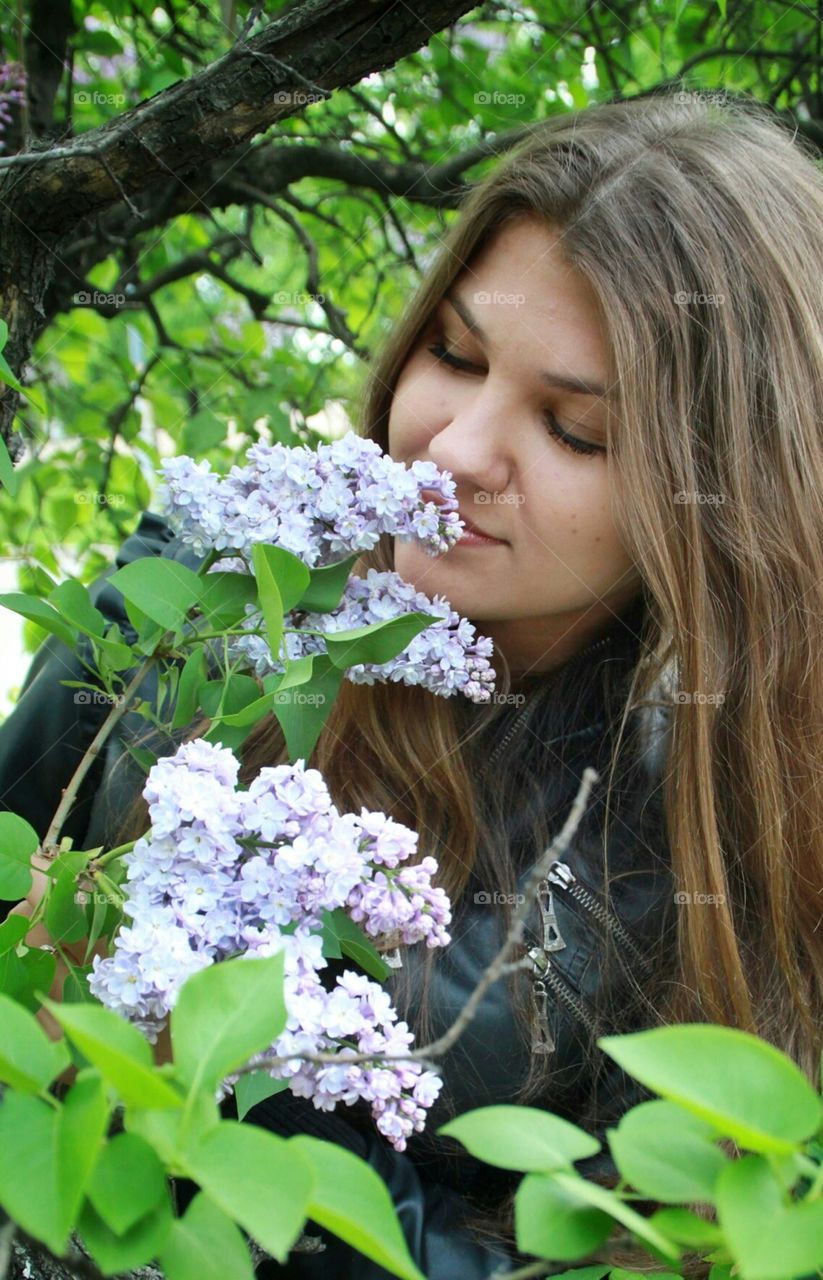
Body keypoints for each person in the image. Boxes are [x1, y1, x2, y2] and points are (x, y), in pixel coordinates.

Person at [2, 89, 822, 1279]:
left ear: (720, 498)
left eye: (575, 429)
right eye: (454, 354)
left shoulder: (707, 835)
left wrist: (271, 1109)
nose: (453, 450)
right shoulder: (183, 614)